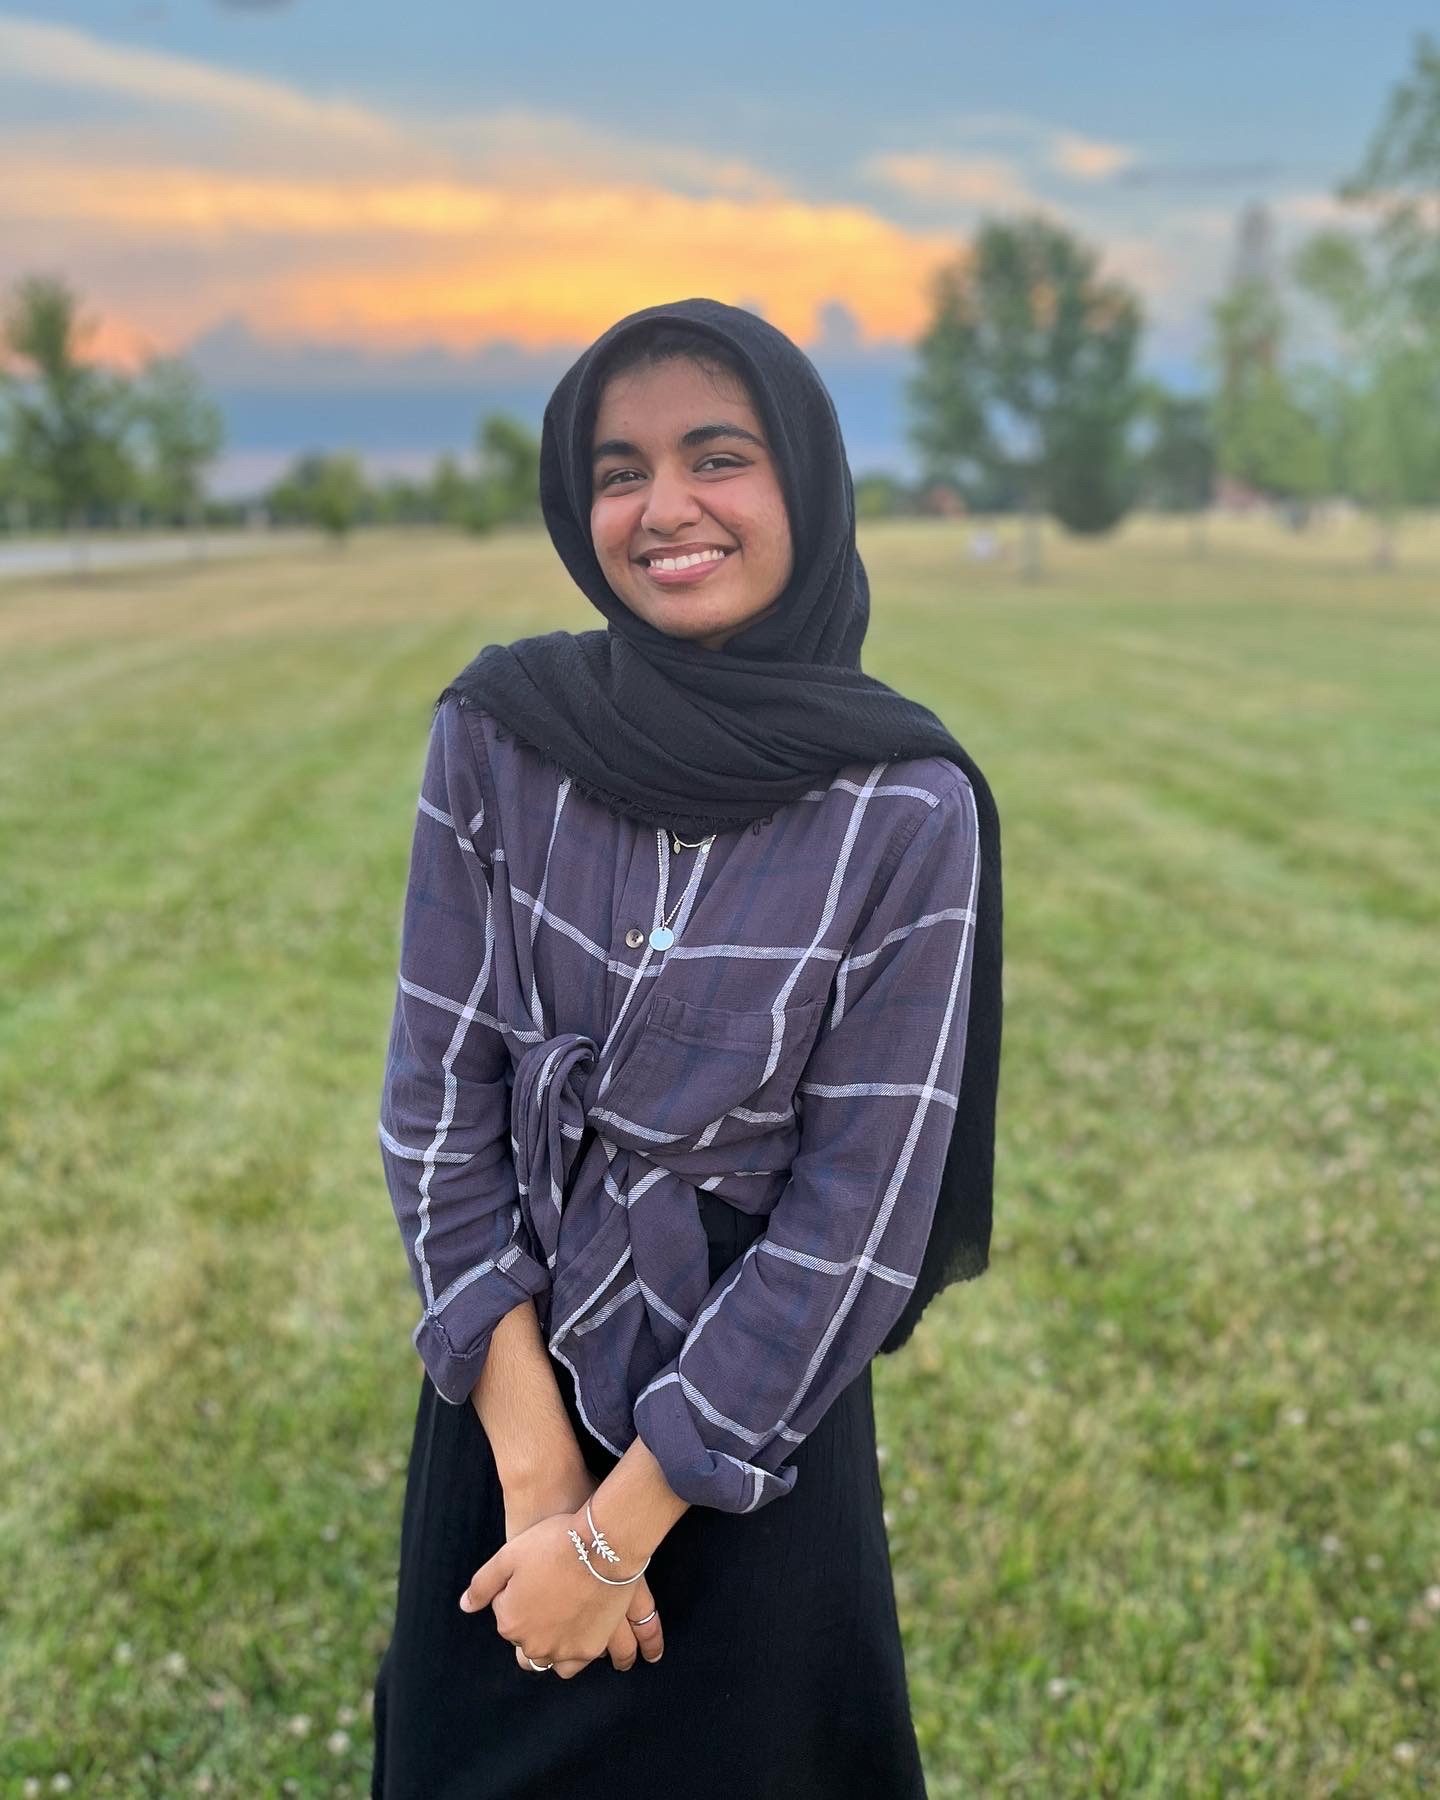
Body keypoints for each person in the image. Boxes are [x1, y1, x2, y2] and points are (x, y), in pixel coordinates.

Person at [369, 297, 1004, 1799]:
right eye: (618, 468)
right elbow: (435, 1111)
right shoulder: (501, 732)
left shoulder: (905, 808)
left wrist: (615, 1536)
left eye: (717, 457)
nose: (663, 511)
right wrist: (539, 1491)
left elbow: (854, 1225)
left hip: (748, 1435)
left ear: (805, 480)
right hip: (507, 1389)